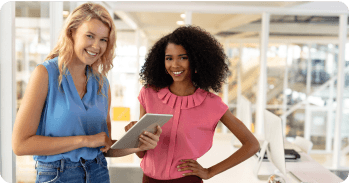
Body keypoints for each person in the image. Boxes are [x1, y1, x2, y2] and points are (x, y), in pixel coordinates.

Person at [12, 3, 161, 183]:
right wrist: (85, 140)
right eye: (90, 36)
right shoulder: (45, 74)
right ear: (72, 33)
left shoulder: (101, 84)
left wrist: (138, 144)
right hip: (58, 175)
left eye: (103, 39)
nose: (96, 46)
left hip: (98, 172)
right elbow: (20, 145)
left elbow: (104, 147)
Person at [125, 26, 260, 183]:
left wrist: (210, 172)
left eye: (183, 57)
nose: (174, 65)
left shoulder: (212, 104)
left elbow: (252, 144)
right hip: (149, 179)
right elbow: (142, 153)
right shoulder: (149, 94)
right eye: (169, 58)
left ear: (196, 60)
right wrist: (135, 136)